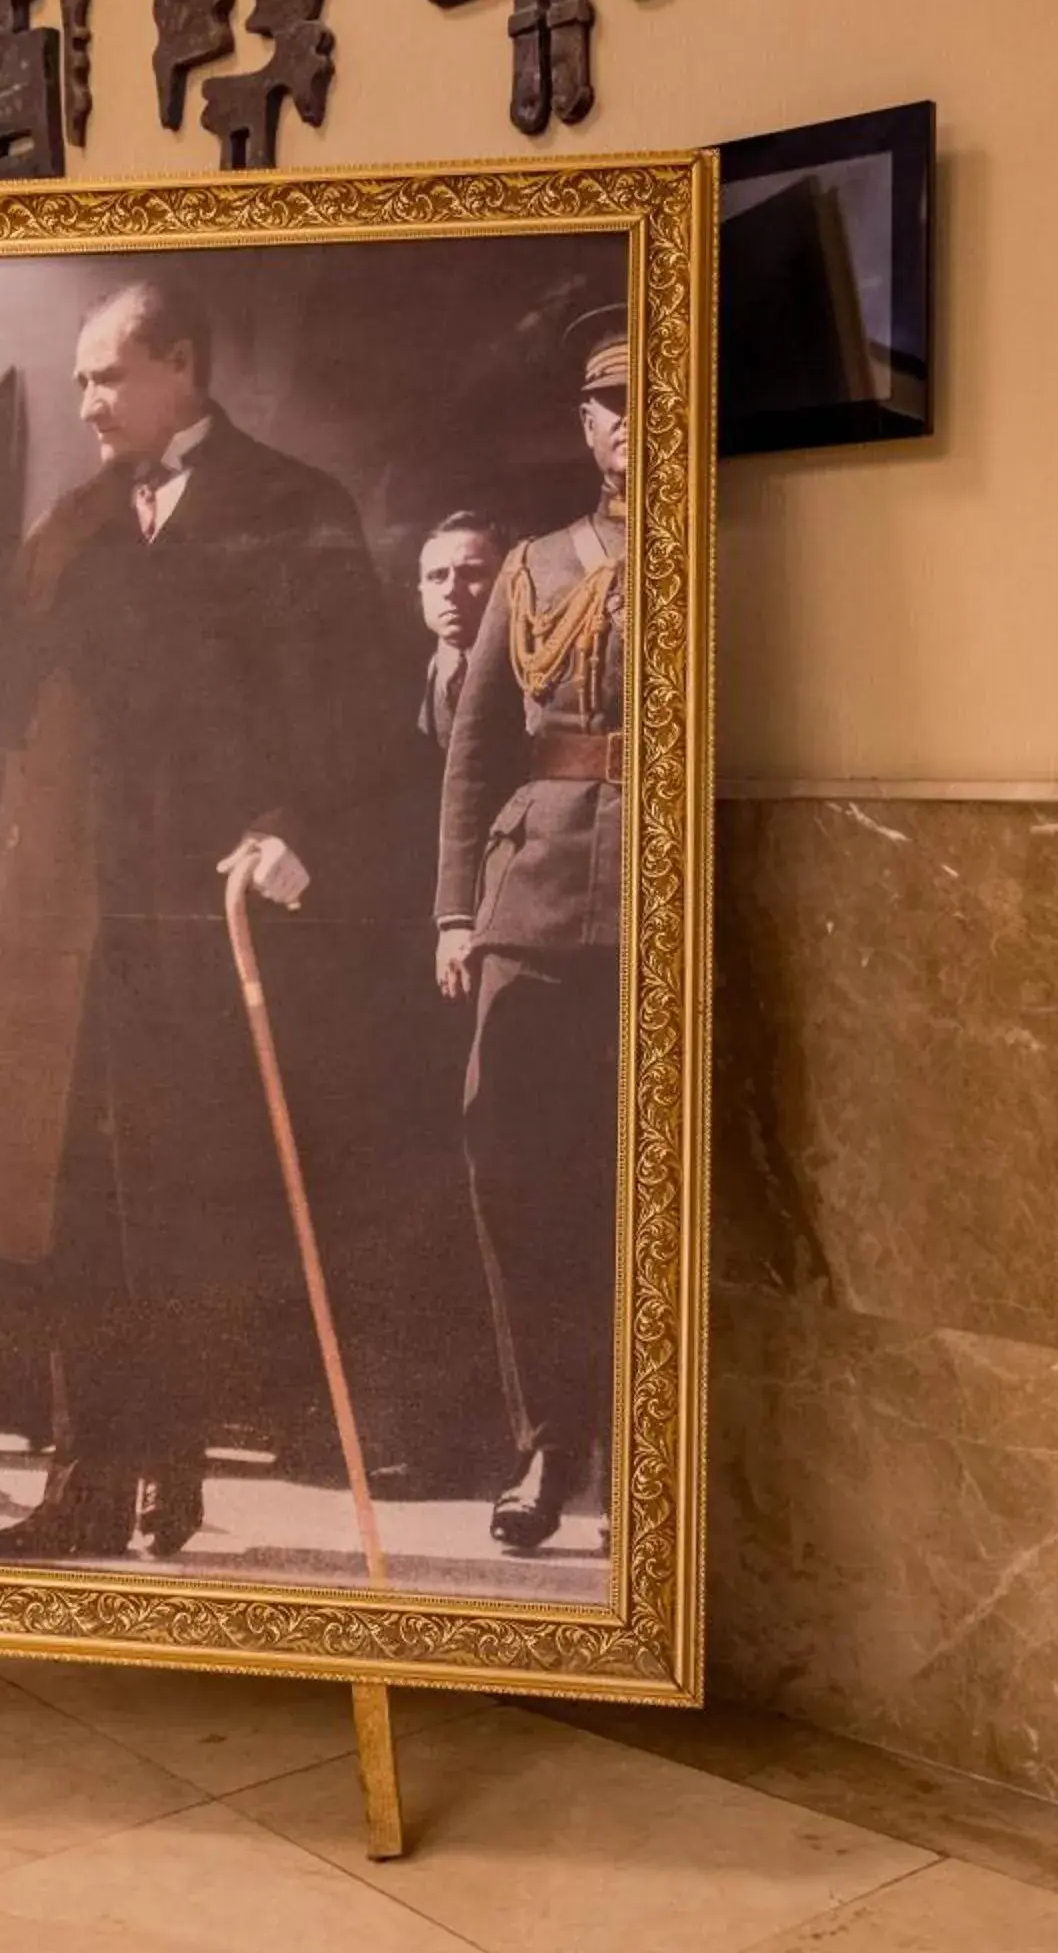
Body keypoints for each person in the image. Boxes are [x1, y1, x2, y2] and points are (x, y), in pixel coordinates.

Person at [0, 277, 390, 1560]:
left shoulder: (297, 509)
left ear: (183, 365)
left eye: (108, 377)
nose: (86, 404)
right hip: (81, 928)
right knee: (78, 1205)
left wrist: (296, 827)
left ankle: (170, 1470)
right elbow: (2, 704)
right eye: (75, 381)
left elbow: (356, 700)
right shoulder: (72, 526)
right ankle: (87, 1475)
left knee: (186, 1206)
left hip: (220, 917)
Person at [433, 311, 630, 1553]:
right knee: (516, 1172)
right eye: (611, 405)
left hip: (666, 898)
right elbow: (472, 758)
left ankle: (642, 1448)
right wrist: (457, 909)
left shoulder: (716, 552)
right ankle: (549, 1442)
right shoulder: (539, 565)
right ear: (586, 426)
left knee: (643, 1182)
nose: (631, 426)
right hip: (536, 895)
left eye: (654, 402)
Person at [414, 512, 504, 751]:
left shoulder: (531, 670)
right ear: (421, 589)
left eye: (472, 574)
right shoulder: (412, 676)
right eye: (437, 576)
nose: (451, 590)